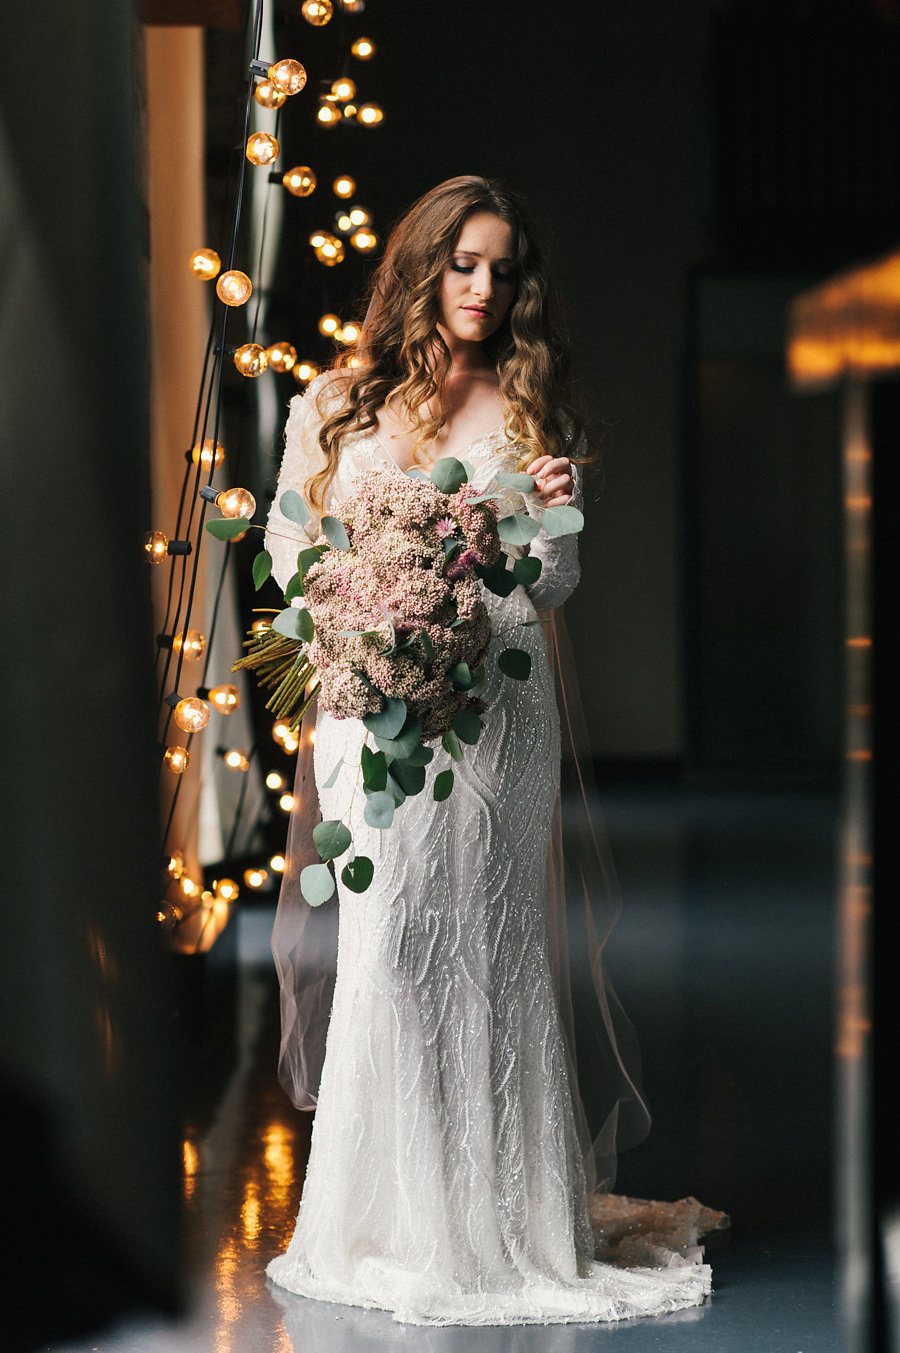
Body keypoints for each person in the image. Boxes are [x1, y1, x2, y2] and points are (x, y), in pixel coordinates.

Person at [263, 176, 725, 1325]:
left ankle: (498, 1220)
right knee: (398, 939)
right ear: (425, 268)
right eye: (465, 264)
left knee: (493, 944)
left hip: (503, 710)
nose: (484, 288)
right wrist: (360, 627)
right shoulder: (333, 404)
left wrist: (554, 515)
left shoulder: (531, 409)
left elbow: (555, 584)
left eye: (504, 268)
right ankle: (397, 1216)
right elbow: (284, 554)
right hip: (376, 713)